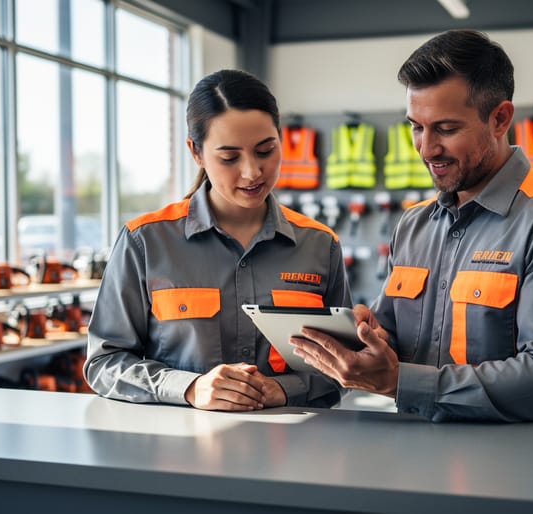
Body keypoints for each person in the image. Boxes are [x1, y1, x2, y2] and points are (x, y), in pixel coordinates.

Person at [289, 30, 533, 422]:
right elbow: (394, 335)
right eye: (416, 127)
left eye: (445, 129)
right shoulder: (413, 224)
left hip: (519, 471)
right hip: (415, 457)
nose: (426, 149)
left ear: (500, 118)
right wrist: (365, 337)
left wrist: (398, 382)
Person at [85, 69, 351, 411]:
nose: (252, 172)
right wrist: (190, 387)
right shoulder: (146, 241)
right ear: (196, 153)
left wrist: (283, 389)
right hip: (180, 450)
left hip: (294, 453)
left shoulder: (319, 244)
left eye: (265, 150)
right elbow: (104, 364)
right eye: (229, 158)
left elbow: (342, 368)